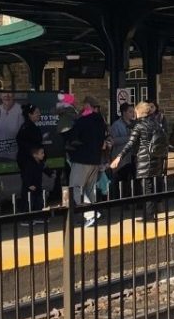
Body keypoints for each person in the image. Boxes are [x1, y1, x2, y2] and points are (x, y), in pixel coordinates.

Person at [110, 101, 168, 220]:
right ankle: (150, 213)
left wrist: (119, 157)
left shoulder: (139, 126)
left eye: (135, 111)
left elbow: (130, 143)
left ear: (140, 112)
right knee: (152, 187)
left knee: (146, 188)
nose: (134, 114)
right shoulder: (155, 124)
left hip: (144, 161)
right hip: (155, 159)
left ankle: (149, 216)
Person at [64, 96, 108, 226]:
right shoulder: (101, 121)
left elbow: (72, 137)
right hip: (95, 159)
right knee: (90, 189)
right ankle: (92, 213)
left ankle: (91, 214)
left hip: (81, 159)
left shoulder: (82, 121)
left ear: (87, 105)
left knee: (75, 188)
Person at [16, 103, 46, 215]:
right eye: (37, 112)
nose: (39, 114)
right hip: (28, 161)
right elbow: (23, 143)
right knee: (29, 186)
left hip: (33, 160)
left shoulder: (31, 127)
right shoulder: (27, 128)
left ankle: (36, 212)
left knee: (36, 187)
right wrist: (34, 153)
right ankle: (27, 212)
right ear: (30, 114)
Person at [0, 92, 23, 162]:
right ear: (0, 96)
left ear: (13, 96)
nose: (7, 95)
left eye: (9, 93)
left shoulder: (21, 111)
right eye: (4, 93)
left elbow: (24, 135)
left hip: (15, 157)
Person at [110, 102, 136, 189]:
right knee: (122, 181)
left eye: (133, 111)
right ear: (124, 112)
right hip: (122, 158)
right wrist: (129, 137)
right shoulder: (116, 125)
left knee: (134, 180)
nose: (132, 113)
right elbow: (113, 140)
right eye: (130, 111)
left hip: (134, 156)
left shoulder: (135, 124)